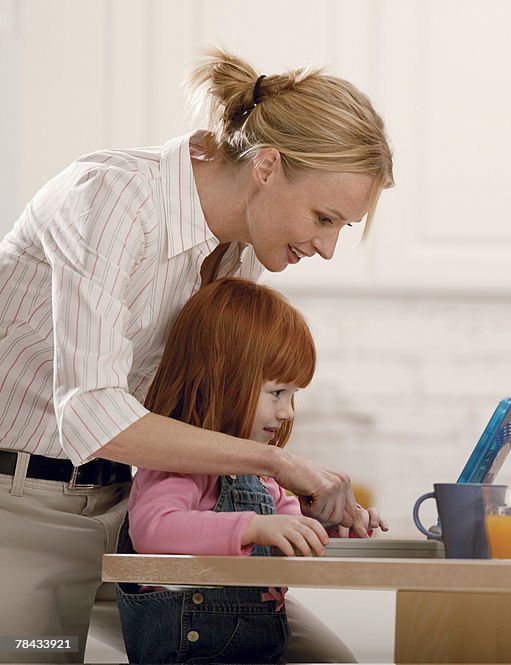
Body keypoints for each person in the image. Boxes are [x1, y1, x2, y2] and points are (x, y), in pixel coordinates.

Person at [0, 47, 393, 663]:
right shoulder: (110, 201)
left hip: (131, 516)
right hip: (20, 519)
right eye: (324, 217)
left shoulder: (238, 253)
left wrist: (296, 500)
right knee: (34, 652)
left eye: (341, 226)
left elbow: (197, 415)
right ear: (267, 165)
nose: (327, 247)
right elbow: (94, 416)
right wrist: (278, 463)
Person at [116, 277, 386, 663]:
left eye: (293, 396)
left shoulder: (261, 480)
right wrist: (253, 527)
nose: (288, 411)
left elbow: (292, 535)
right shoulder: (180, 467)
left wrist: (334, 528)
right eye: (277, 393)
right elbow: (152, 529)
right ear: (221, 381)